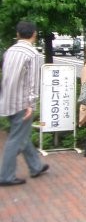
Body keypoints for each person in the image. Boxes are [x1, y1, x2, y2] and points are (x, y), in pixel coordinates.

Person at [0, 20, 49, 186]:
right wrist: (31, 104)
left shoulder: (9, 51)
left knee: (22, 135)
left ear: (17, 34)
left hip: (7, 101)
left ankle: (35, 166)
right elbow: (33, 83)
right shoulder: (32, 54)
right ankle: (5, 176)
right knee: (15, 139)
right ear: (34, 34)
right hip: (22, 103)